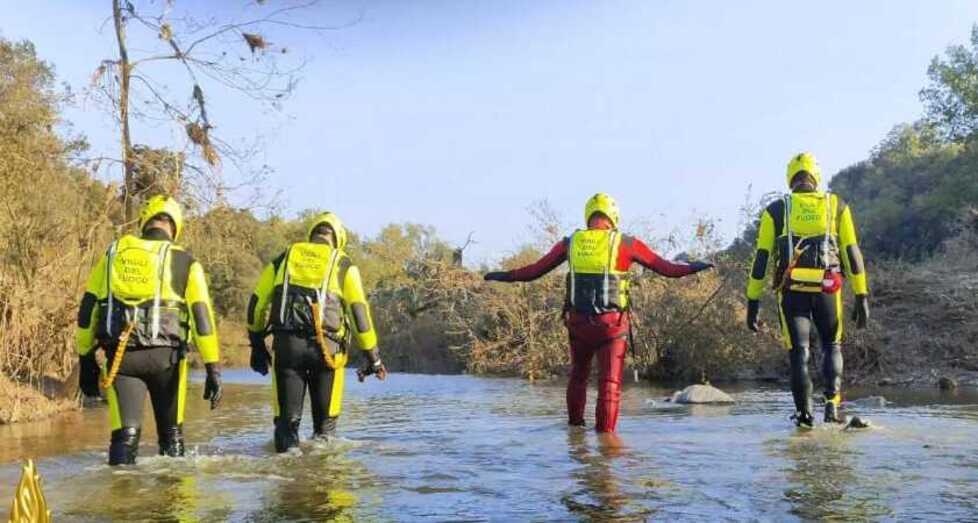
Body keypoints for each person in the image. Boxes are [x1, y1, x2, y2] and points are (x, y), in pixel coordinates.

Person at [484, 193, 713, 433]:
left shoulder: (571, 242)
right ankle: (606, 445)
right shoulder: (625, 244)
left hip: (578, 324)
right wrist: (696, 266)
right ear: (613, 217)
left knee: (578, 377)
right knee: (609, 385)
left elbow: (534, 271)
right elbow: (668, 269)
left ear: (588, 216)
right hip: (611, 327)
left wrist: (503, 275)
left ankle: (575, 435)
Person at [76, 195, 223, 465]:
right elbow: (202, 318)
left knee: (124, 437)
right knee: (171, 436)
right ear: (175, 226)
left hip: (122, 359)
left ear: (144, 222)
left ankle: (121, 500)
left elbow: (87, 311)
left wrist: (85, 358)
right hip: (166, 360)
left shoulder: (113, 253)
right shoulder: (185, 261)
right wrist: (213, 367)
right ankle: (176, 503)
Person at [745, 152, 870, 427]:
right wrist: (862, 295)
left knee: (799, 352)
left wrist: (752, 301)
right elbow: (851, 252)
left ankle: (804, 416)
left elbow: (762, 258)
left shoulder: (776, 210)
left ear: (791, 178)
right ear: (816, 176)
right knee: (832, 345)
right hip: (828, 290)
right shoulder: (836, 205)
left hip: (791, 291)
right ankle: (831, 407)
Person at [247, 212, 387, 452]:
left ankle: (285, 477)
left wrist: (257, 343)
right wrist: (373, 357)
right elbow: (359, 314)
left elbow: (256, 303)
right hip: (328, 352)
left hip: (287, 349)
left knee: (286, 426)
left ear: (311, 235)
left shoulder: (285, 258)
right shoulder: (343, 263)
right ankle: (323, 481)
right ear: (338, 239)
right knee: (325, 432)